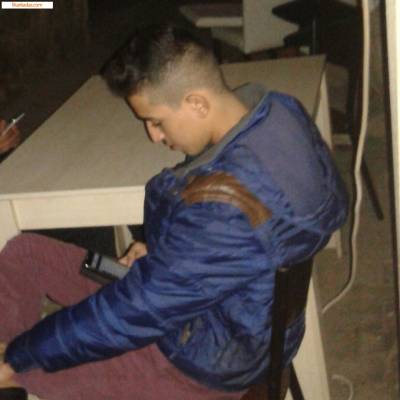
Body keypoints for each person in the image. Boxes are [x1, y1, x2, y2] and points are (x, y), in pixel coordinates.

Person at [0, 25, 348, 400]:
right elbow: (226, 247)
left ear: (197, 103)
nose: (153, 135)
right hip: (212, 308)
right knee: (25, 255)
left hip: (197, 366)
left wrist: (18, 357)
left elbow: (134, 312)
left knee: (30, 364)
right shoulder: (278, 111)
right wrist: (167, 250)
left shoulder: (224, 210)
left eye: (156, 121)